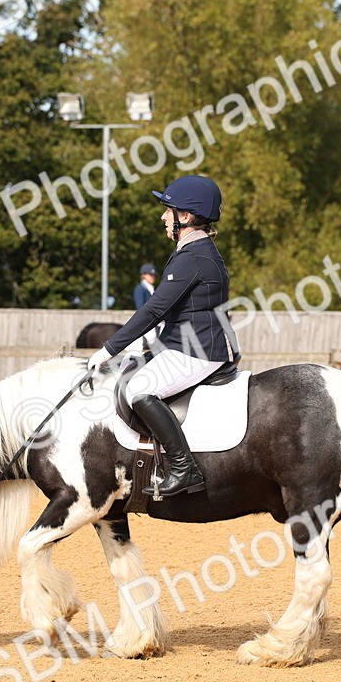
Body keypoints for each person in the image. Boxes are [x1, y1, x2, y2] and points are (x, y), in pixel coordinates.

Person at [87, 174, 237, 497]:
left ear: (186, 216)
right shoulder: (193, 251)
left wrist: (108, 349)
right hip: (184, 343)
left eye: (169, 210)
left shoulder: (194, 257)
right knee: (130, 371)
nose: (163, 217)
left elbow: (154, 310)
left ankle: (184, 468)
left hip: (200, 349)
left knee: (139, 390)